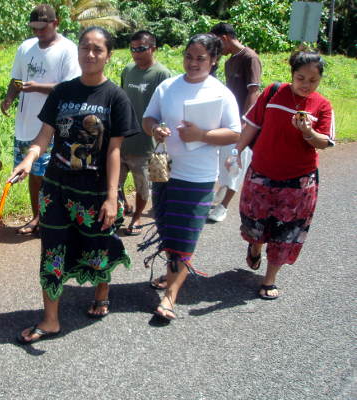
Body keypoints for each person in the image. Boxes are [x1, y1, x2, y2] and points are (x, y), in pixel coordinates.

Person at [10, 26, 139, 344]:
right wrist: (29, 159)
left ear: (108, 55)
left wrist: (112, 197)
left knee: (99, 245)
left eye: (98, 49)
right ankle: (51, 319)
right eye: (85, 48)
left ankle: (102, 289)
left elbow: (114, 150)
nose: (90, 54)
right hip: (56, 189)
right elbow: (44, 137)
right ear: (78, 51)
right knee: (51, 251)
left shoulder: (115, 97)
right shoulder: (62, 92)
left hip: (96, 192)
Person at [141, 34, 241, 322]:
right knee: (166, 228)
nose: (193, 63)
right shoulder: (168, 86)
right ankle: (173, 271)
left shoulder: (221, 93)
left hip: (197, 178)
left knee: (185, 237)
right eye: (189, 56)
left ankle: (170, 297)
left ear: (213, 61)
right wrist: (155, 129)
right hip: (164, 172)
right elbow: (148, 119)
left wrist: (202, 135)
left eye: (201, 58)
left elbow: (234, 133)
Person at [232, 50, 335, 300]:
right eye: (301, 78)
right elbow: (253, 124)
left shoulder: (322, 105)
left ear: (320, 80)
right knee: (253, 221)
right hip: (261, 173)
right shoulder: (273, 93)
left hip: (299, 180)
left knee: (287, 230)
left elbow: (325, 142)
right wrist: (236, 150)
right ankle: (256, 245)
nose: (306, 85)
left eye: (313, 80)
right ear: (292, 75)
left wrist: (309, 132)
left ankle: (270, 279)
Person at [0, 4, 80, 236]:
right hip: (26, 123)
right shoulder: (26, 47)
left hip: (54, 125)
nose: (38, 32)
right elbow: (16, 78)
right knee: (33, 174)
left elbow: (70, 88)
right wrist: (9, 98)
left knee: (49, 175)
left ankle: (53, 217)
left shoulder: (67, 49)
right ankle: (38, 216)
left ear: (56, 23)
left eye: (42, 28)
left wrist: (37, 87)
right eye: (34, 28)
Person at [208, 22, 262, 222]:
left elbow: (253, 91)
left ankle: (223, 206)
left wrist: (245, 121)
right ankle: (218, 197)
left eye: (216, 42)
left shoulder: (250, 58)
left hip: (242, 124)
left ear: (224, 38)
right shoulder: (229, 62)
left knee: (234, 164)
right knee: (222, 162)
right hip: (226, 122)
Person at [119, 30, 171, 236]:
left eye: (141, 48)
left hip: (146, 143)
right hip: (123, 139)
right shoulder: (128, 70)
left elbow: (166, 109)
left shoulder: (162, 74)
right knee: (114, 181)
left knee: (143, 185)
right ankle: (122, 206)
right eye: (132, 48)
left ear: (153, 48)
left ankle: (137, 217)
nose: (136, 53)